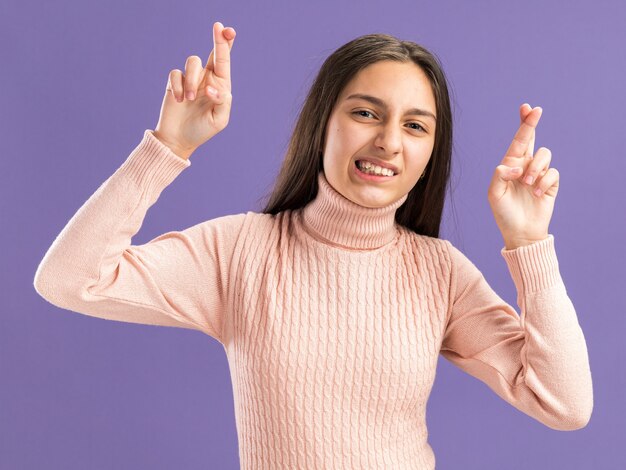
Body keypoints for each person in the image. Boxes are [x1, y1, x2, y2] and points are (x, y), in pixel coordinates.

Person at [34, 21, 593, 470]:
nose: (389, 141)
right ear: (322, 123)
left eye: (416, 126)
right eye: (366, 113)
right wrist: (166, 147)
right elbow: (68, 280)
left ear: (430, 156)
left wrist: (528, 242)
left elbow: (565, 405)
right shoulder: (241, 251)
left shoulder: (439, 272)